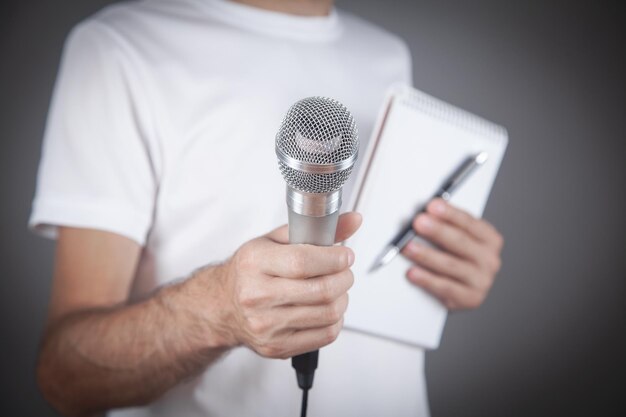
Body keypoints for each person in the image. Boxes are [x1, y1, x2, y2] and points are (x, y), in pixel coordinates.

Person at [29, 0, 504, 416]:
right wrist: (217, 308)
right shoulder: (118, 47)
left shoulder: (386, 53)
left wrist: (443, 272)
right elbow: (65, 378)